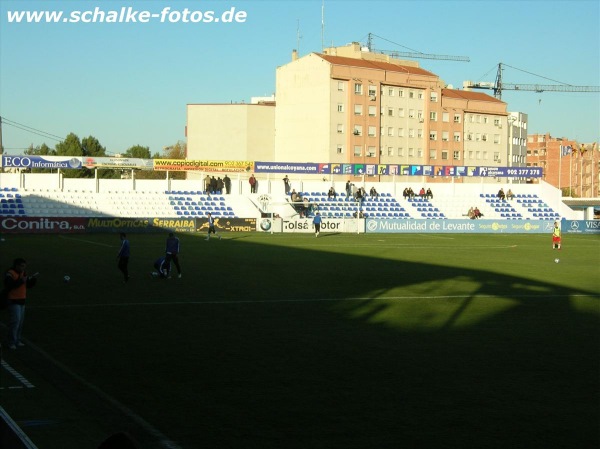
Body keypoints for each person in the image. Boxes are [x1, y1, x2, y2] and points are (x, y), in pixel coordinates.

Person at [4, 258, 38, 350]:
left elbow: (27, 285)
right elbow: (9, 285)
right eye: (22, 266)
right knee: (15, 322)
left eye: (24, 266)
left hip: (22, 300)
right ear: (17, 266)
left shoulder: (23, 273)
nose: (23, 268)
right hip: (13, 301)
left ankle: (17, 340)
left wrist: (32, 280)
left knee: (20, 323)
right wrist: (22, 281)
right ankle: (11, 342)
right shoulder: (10, 273)